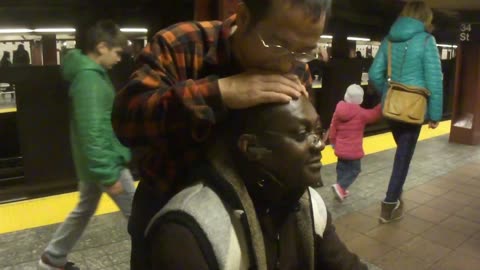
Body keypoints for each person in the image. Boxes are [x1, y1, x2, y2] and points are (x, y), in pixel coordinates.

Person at [111, 0, 331, 268]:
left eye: (304, 52)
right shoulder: (183, 44)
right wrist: (221, 92)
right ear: (244, 16)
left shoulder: (296, 66)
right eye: (278, 46)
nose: (288, 64)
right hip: (170, 220)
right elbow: (127, 119)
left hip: (251, 221)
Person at [146, 95, 367, 269]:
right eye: (302, 133)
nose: (319, 144)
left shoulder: (308, 205)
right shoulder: (189, 232)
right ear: (250, 147)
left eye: (318, 131)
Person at [39, 21, 135, 270]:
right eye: (117, 52)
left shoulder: (91, 75)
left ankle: (53, 257)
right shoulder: (89, 79)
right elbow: (92, 130)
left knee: (84, 210)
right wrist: (107, 172)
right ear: (102, 47)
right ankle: (157, 260)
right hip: (105, 163)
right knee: (139, 216)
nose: (119, 59)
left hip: (94, 163)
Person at [368, 1, 443, 223]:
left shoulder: (389, 39)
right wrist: (435, 114)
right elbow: (434, 80)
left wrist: (387, 95)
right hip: (413, 110)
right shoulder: (427, 41)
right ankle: (389, 204)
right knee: (403, 157)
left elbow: (374, 74)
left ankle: (396, 196)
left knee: (401, 152)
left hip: (393, 109)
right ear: (425, 18)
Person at [329, 84, 382, 201]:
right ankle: (341, 186)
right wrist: (381, 105)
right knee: (355, 170)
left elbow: (333, 127)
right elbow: (374, 115)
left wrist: (333, 142)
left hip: (340, 148)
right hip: (353, 151)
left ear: (345, 96)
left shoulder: (338, 111)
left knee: (342, 168)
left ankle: (340, 188)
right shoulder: (361, 113)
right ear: (361, 100)